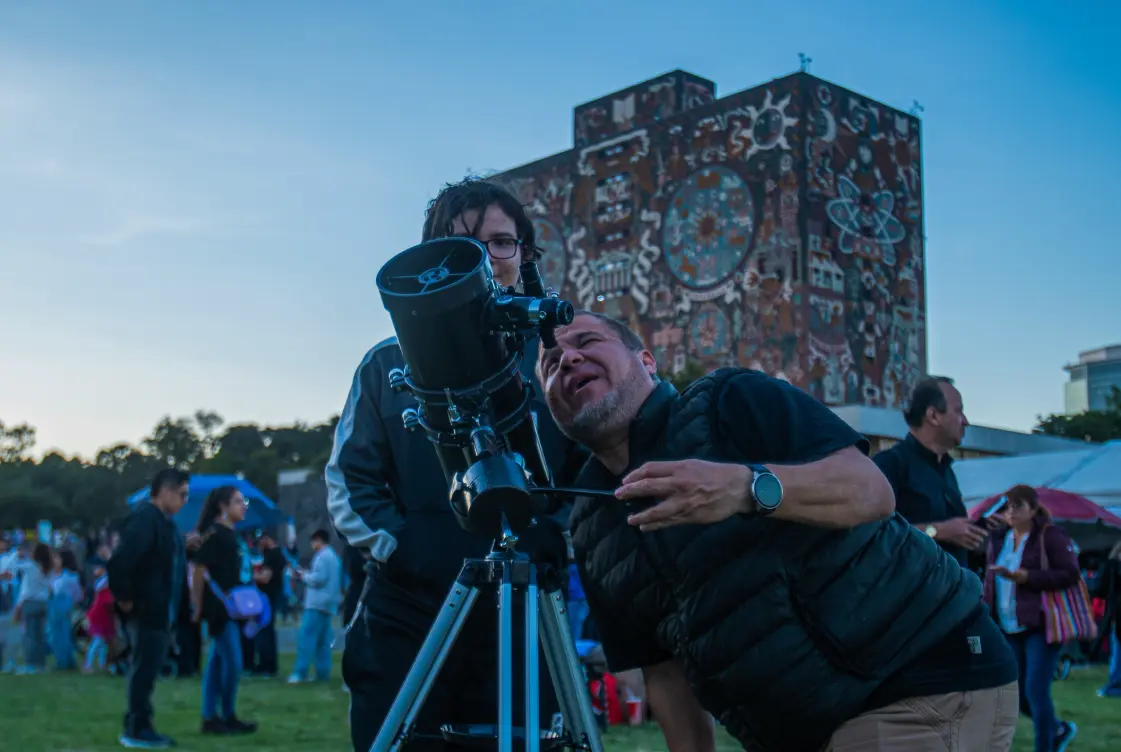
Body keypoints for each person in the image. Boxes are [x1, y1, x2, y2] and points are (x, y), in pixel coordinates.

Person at [536, 311, 1021, 752]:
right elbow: (663, 673)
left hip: (918, 680)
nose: (568, 358)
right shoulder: (592, 526)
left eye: (587, 340)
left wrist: (746, 487)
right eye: (550, 363)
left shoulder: (728, 400)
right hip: (797, 731)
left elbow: (870, 491)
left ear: (647, 360)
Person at [327, 177, 582, 751]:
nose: (487, 257)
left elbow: (590, 468)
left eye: (501, 242)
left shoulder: (560, 361)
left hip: (526, 608)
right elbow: (350, 479)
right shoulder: (384, 365)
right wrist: (404, 545)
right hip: (410, 610)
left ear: (523, 255)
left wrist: (554, 534)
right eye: (463, 242)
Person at [983, 485, 1080, 752]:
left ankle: (1046, 746)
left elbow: (1070, 573)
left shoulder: (1049, 536)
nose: (1011, 511)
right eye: (1008, 506)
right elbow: (990, 580)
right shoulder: (999, 538)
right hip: (1008, 624)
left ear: (1033, 510)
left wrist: (1027, 577)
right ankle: (1059, 730)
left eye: (1018, 506)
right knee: (1017, 694)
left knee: (1035, 691)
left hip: (1041, 624)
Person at [106, 468, 191, 749]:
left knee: (149, 670)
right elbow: (120, 562)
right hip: (147, 610)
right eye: (182, 494)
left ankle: (142, 724)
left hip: (159, 610)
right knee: (143, 671)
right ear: (165, 491)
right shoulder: (145, 520)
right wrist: (127, 600)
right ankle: (136, 728)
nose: (184, 501)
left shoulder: (162, 523)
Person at [872, 376, 984, 569]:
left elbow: (955, 536)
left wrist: (977, 534)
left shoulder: (947, 470)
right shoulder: (890, 464)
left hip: (953, 594)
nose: (965, 421)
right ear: (933, 416)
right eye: (958, 411)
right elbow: (872, 535)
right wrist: (937, 531)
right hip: (908, 596)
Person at [190, 486, 258, 736]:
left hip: (234, 607)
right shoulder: (215, 535)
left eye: (244, 501)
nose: (244, 506)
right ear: (223, 506)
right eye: (238, 501)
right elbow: (198, 569)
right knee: (232, 662)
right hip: (219, 608)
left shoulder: (233, 535)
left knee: (218, 663)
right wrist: (197, 605)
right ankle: (223, 714)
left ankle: (214, 716)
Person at [287, 529, 342, 684]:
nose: (312, 544)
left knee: (306, 638)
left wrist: (303, 575)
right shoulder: (333, 556)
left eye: (313, 541)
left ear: (318, 540)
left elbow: (319, 579)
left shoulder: (323, 556)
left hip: (316, 604)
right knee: (322, 642)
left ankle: (300, 672)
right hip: (327, 604)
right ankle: (322, 673)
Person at [12, 542, 52, 674]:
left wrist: (16, 554)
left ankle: (30, 664)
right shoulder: (47, 568)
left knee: (29, 635)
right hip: (43, 603)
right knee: (39, 635)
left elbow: (25, 590)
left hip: (30, 602)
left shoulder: (30, 567)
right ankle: (40, 664)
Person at [48, 548, 83, 670]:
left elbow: (76, 596)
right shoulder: (52, 575)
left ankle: (64, 662)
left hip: (63, 609)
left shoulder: (69, 577)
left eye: (56, 558)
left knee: (62, 636)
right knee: (56, 636)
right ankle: (64, 661)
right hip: (54, 610)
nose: (53, 561)